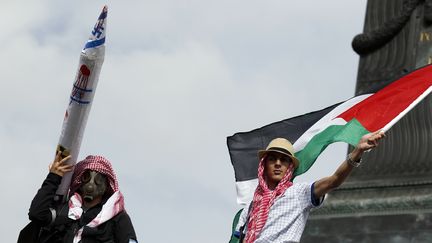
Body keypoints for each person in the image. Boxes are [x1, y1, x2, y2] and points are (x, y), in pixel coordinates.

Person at [234, 131, 385, 243]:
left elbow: (334, 180)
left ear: (289, 167)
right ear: (264, 165)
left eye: (284, 160)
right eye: (273, 159)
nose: (278, 163)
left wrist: (357, 151)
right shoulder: (250, 207)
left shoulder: (298, 193)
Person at [22, 153, 138, 243]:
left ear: (106, 185)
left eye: (98, 180)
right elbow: (36, 214)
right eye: (87, 177)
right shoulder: (64, 210)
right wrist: (54, 177)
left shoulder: (116, 218)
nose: (91, 185)